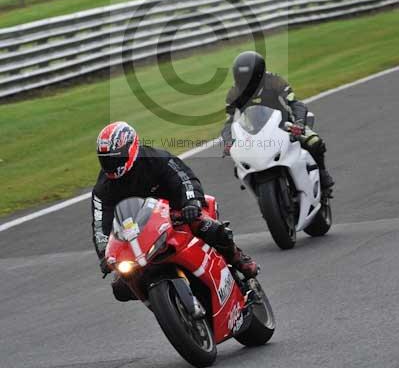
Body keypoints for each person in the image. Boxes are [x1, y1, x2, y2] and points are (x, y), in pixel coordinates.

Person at [92, 121, 258, 302]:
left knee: (207, 226)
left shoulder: (156, 159)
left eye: (115, 158)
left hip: (177, 213)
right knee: (120, 287)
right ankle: (160, 304)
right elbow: (100, 222)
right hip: (137, 232)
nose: (110, 163)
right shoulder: (103, 187)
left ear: (131, 148)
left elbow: (184, 178)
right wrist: (104, 254)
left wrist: (191, 203)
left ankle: (237, 258)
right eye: (105, 158)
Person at [221, 51, 334, 194]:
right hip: (253, 133)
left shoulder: (274, 81)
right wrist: (228, 141)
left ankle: (322, 174)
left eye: (248, 79)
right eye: (241, 79)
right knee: (239, 167)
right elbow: (229, 122)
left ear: (259, 75)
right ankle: (260, 194)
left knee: (314, 142)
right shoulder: (234, 93)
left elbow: (295, 104)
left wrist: (299, 123)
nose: (245, 84)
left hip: (284, 125)